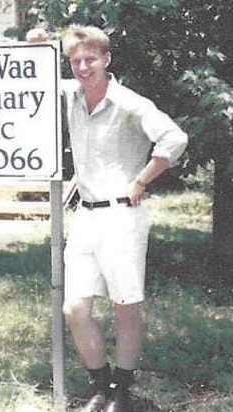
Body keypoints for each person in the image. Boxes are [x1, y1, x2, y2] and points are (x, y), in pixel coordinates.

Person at [28, 25, 187, 412]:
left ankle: (121, 393)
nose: (83, 67)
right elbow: (36, 81)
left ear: (107, 59)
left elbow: (175, 138)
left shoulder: (129, 102)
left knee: (124, 305)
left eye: (90, 59)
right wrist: (38, 46)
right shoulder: (71, 96)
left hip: (123, 217)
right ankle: (100, 385)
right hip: (85, 215)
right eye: (75, 60)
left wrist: (142, 179)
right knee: (74, 309)